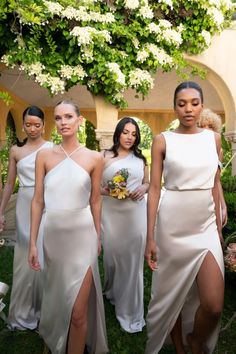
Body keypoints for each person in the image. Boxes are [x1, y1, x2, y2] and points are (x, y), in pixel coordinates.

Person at [145, 82, 224, 354]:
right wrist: (150, 237)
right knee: (171, 295)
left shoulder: (213, 139)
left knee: (213, 304)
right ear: (174, 107)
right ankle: (179, 346)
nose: (188, 108)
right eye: (182, 103)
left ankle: (196, 341)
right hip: (172, 226)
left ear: (201, 105)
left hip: (204, 227)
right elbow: (154, 189)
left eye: (194, 102)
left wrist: (217, 228)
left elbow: (215, 183)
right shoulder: (163, 140)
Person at [28, 100, 108, 354]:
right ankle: (54, 338)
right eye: (59, 118)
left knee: (78, 312)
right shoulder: (44, 155)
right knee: (55, 298)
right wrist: (32, 242)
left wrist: (97, 235)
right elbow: (38, 200)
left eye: (69, 117)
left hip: (83, 237)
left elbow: (95, 200)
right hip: (52, 237)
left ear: (79, 120)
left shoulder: (95, 158)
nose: (63, 122)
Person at [0, 106, 52, 330]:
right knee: (24, 256)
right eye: (28, 124)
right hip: (23, 203)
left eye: (37, 125)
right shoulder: (15, 151)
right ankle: (22, 311)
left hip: (46, 203)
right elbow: (10, 184)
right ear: (23, 125)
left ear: (43, 126)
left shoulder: (52, 148)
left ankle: (45, 308)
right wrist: (1, 211)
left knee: (43, 251)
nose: (32, 129)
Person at [101, 117, 149, 333]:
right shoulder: (104, 156)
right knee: (111, 258)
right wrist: (109, 190)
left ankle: (131, 310)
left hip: (136, 215)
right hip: (111, 214)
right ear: (118, 133)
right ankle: (111, 291)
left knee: (132, 263)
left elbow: (149, 182)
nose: (130, 137)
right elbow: (94, 185)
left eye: (134, 134)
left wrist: (144, 188)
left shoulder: (141, 159)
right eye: (126, 132)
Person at [198, 108, 227, 226]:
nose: (206, 129)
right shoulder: (194, 149)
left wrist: (223, 206)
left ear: (215, 129)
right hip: (195, 198)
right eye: (203, 126)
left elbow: (217, 181)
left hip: (212, 198)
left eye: (210, 126)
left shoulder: (219, 151)